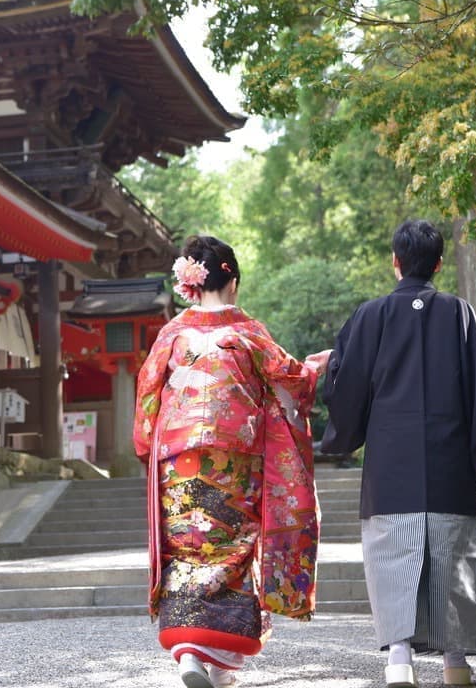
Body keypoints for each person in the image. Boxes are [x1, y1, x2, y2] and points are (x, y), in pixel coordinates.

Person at [307, 219, 476, 688]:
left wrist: (333, 364)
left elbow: (346, 384)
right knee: (454, 552)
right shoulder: (460, 313)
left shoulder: (370, 316)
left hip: (391, 459)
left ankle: (400, 661)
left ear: (395, 262)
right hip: (447, 454)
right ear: (439, 264)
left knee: (392, 554)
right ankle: (455, 663)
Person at [134, 235, 323, 688]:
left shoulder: (172, 335)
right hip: (236, 463)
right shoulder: (248, 333)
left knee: (185, 551)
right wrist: (321, 367)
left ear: (193, 283)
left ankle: (188, 655)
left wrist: (149, 450)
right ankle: (217, 663)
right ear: (231, 281)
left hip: (177, 464)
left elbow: (147, 399)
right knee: (234, 553)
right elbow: (291, 381)